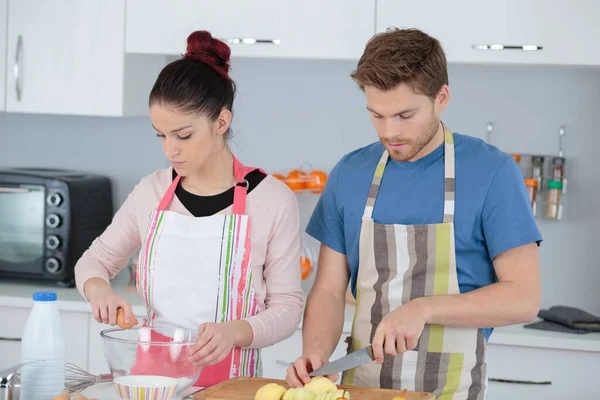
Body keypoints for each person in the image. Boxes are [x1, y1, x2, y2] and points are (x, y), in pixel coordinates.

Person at [286, 28, 542, 398]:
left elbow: (523, 298)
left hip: (451, 389)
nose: (391, 132)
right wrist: (315, 353)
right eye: (377, 116)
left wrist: (423, 308)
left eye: (406, 115)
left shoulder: (491, 172)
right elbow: (327, 290)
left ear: (442, 98)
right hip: (362, 388)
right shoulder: (350, 174)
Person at [75, 30, 304, 388]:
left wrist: (236, 331)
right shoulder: (151, 190)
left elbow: (288, 307)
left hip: (232, 386)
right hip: (151, 383)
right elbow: (95, 260)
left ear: (221, 123)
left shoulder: (272, 199)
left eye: (183, 136)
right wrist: (98, 289)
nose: (170, 151)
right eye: (161, 135)